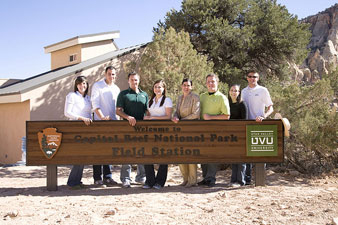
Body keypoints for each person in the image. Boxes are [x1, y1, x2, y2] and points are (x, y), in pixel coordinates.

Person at [116, 72, 148, 188]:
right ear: (128, 81)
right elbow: (118, 110)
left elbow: (147, 111)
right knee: (127, 153)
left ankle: (141, 177)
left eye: (136, 80)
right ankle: (125, 178)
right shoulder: (123, 94)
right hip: (127, 128)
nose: (134, 82)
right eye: (132, 80)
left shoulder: (144, 94)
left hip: (142, 129)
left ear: (139, 81)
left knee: (142, 152)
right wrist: (128, 117)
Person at [241, 70, 274, 185]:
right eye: (250, 76)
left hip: (260, 124)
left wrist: (264, 116)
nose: (252, 78)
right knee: (247, 154)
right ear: (247, 78)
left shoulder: (263, 90)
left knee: (260, 152)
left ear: (258, 78)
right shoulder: (243, 91)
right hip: (247, 124)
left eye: (254, 77)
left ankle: (260, 180)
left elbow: (271, 107)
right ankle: (248, 180)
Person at [198, 74, 230, 187]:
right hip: (202, 131)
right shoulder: (202, 97)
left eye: (213, 81)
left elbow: (226, 116)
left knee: (212, 154)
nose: (211, 84)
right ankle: (205, 177)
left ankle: (211, 178)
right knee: (202, 154)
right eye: (209, 82)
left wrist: (211, 117)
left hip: (216, 130)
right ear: (206, 83)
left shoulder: (222, 97)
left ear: (217, 83)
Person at [91, 66, 120, 186]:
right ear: (105, 74)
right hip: (100, 122)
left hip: (112, 124)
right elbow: (95, 104)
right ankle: (97, 178)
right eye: (109, 74)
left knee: (109, 151)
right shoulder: (97, 86)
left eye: (113, 74)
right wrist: (102, 117)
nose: (111, 76)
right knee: (98, 151)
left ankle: (108, 177)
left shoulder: (116, 88)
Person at [143, 79, 173, 190]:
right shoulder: (151, 100)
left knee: (163, 156)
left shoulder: (167, 100)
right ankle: (150, 181)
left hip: (163, 131)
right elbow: (149, 114)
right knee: (147, 155)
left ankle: (160, 182)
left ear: (164, 89)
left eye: (160, 87)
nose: (157, 89)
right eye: (155, 86)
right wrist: (147, 118)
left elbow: (168, 116)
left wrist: (153, 118)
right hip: (150, 131)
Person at [64, 76, 92, 190]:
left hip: (86, 129)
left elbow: (89, 113)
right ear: (76, 85)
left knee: (84, 156)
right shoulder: (72, 96)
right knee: (78, 155)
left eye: (84, 84)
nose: (82, 86)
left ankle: (77, 181)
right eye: (80, 84)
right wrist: (80, 118)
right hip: (75, 128)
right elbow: (67, 112)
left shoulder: (88, 98)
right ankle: (72, 182)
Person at [172, 78, 200, 187]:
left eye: (188, 85)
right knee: (181, 153)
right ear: (181, 86)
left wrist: (182, 121)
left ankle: (192, 181)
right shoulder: (179, 98)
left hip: (191, 128)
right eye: (184, 85)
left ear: (191, 87)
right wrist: (175, 116)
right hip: (180, 130)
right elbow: (177, 112)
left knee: (191, 154)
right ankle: (185, 179)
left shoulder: (195, 97)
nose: (186, 87)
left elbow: (195, 114)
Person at [228, 84, 247, 187]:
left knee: (241, 160)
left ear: (239, 92)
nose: (233, 92)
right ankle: (233, 180)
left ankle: (240, 181)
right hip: (231, 135)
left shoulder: (242, 104)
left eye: (236, 90)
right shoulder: (228, 104)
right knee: (233, 158)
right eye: (232, 90)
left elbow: (245, 121)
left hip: (240, 135)